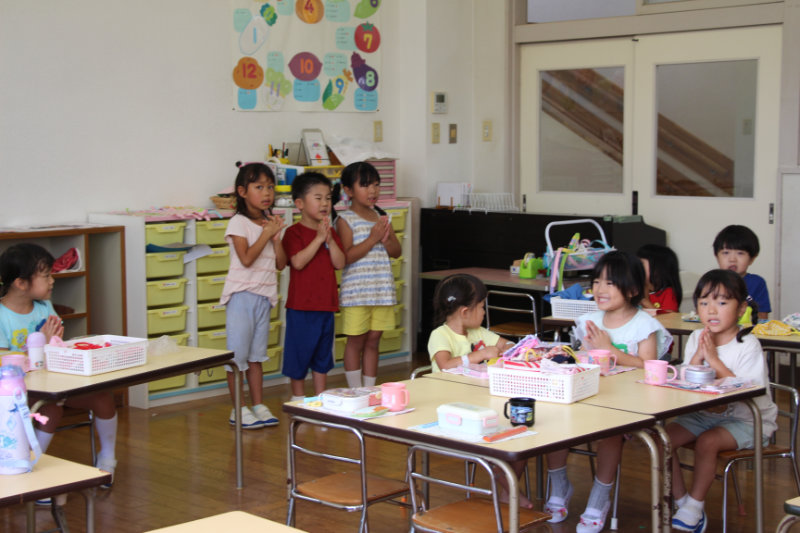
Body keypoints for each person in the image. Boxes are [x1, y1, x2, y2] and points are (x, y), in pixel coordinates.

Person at [544, 251, 672, 531]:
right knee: (554, 420)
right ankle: (559, 485)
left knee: (611, 434)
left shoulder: (644, 325)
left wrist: (611, 351)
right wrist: (566, 354)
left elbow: (648, 366)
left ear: (633, 289)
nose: (600, 289)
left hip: (628, 403)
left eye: (610, 283)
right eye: (597, 281)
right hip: (590, 395)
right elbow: (580, 357)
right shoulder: (590, 320)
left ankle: (600, 498)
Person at [0, 243, 119, 489]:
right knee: (49, 411)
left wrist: (52, 345)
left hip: (52, 382)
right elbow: (5, 362)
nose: (53, 281)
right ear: (21, 283)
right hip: (14, 393)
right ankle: (32, 470)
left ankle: (107, 459)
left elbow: (55, 346)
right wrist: (37, 346)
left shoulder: (44, 308)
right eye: (46, 276)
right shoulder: (2, 315)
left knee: (102, 398)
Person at [667, 269, 777, 532]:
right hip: (706, 414)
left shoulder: (747, 344)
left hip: (748, 420)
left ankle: (695, 506)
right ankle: (682, 501)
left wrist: (713, 359)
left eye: (722, 302)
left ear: (741, 309)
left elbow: (747, 392)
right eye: (704, 303)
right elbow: (685, 380)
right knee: (663, 439)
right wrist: (696, 359)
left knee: (709, 441)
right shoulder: (696, 337)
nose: (711, 311)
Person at [426, 274, 529, 507]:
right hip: (451, 409)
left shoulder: (478, 332)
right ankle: (506, 482)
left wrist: (509, 349)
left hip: (481, 403)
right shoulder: (440, 335)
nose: (484, 312)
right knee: (494, 436)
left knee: (521, 431)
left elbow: (506, 345)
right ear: (465, 312)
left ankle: (506, 486)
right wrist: (479, 355)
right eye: (482, 307)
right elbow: (445, 365)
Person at [220, 162, 286, 429]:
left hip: (264, 297)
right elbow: (246, 258)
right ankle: (238, 408)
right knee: (237, 358)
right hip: (242, 296)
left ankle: (258, 404)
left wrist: (276, 237)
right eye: (259, 187)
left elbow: (281, 263)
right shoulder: (238, 222)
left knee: (257, 357)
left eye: (270, 187)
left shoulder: (269, 223)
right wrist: (266, 234)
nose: (266, 192)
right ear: (242, 191)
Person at [335, 162, 402, 388]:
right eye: (365, 185)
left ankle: (370, 389)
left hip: (381, 291)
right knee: (356, 340)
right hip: (357, 293)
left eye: (376, 185)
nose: (373, 191)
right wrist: (373, 239)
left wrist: (387, 238)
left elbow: (396, 252)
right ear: (348, 190)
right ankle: (356, 391)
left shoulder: (383, 217)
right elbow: (347, 257)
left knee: (374, 340)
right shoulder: (345, 220)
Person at [281, 172, 345, 400]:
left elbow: (339, 263)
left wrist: (328, 239)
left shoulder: (330, 232)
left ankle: (321, 398)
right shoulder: (293, 232)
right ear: (299, 203)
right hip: (301, 307)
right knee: (298, 354)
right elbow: (297, 262)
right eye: (318, 198)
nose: (325, 203)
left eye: (328, 198)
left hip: (326, 305)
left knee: (322, 355)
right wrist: (318, 239)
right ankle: (298, 399)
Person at [713, 224, 770, 322]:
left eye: (740, 253)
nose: (732, 259)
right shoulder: (711, 282)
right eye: (726, 253)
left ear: (752, 258)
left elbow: (762, 318)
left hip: (747, 334)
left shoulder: (757, 283)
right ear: (717, 257)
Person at [636, 243, 682, 313]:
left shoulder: (668, 293)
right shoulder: (636, 289)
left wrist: (645, 301)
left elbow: (670, 318)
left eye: (641, 263)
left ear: (658, 269)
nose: (636, 267)